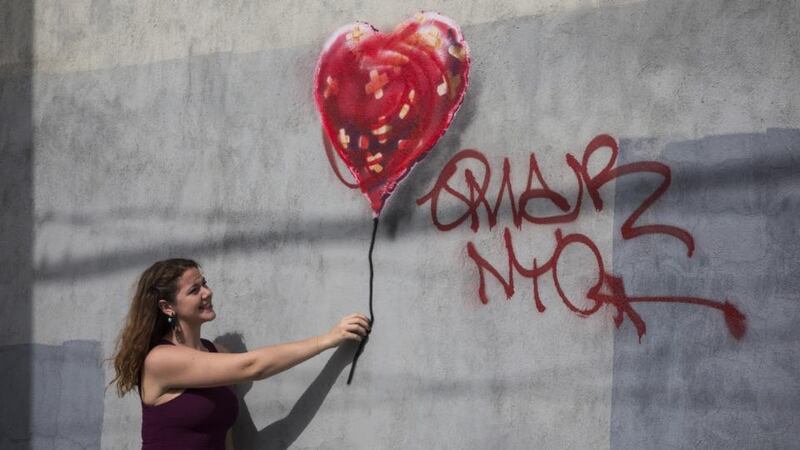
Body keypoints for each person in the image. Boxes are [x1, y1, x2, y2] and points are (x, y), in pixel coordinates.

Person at [110, 258, 370, 450]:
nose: (207, 292)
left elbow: (224, 438)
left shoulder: (215, 353)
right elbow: (252, 366)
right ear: (168, 307)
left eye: (205, 283)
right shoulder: (160, 360)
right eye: (194, 290)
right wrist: (327, 339)